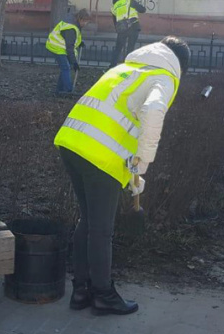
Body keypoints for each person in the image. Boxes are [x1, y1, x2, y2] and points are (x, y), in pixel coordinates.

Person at [54, 37, 190, 316]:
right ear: (180, 65)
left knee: (88, 220)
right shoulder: (164, 77)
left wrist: (131, 173)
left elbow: (118, 117)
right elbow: (153, 111)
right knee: (101, 229)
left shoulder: (124, 68)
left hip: (71, 141)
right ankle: (103, 295)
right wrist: (143, 164)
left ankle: (80, 291)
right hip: (99, 155)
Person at [46, 9, 90, 95]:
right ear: (80, 18)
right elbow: (69, 47)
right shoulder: (71, 28)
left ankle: (60, 90)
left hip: (59, 46)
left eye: (87, 22)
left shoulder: (73, 22)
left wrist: (79, 42)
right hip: (57, 47)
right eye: (85, 21)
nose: (85, 24)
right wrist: (74, 62)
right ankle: (68, 90)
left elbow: (71, 39)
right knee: (66, 67)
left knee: (65, 68)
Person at [109, 0, 147, 66]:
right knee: (130, 48)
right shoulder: (129, 1)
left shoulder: (114, 7)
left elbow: (115, 22)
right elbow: (143, 10)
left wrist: (119, 30)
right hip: (133, 27)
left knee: (118, 49)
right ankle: (127, 66)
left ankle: (112, 66)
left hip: (122, 29)